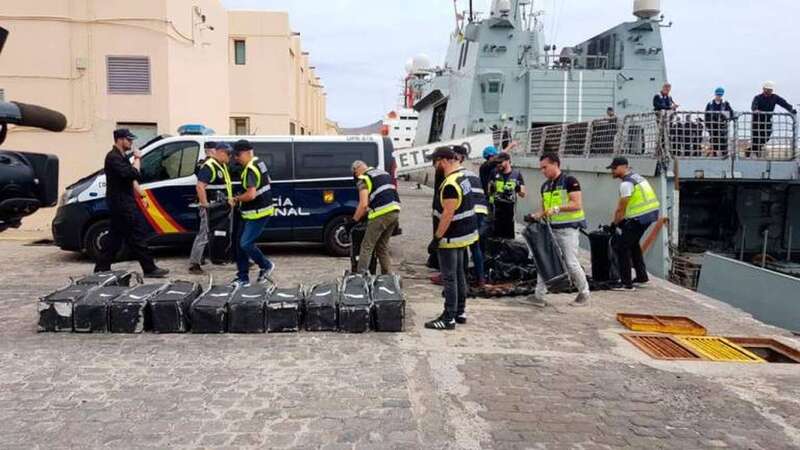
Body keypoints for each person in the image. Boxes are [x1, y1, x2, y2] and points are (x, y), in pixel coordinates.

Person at [94, 129, 169, 277]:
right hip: (121, 204)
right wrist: (137, 158)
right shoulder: (113, 157)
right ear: (119, 140)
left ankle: (101, 268)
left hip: (122, 202)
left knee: (114, 238)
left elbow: (130, 179)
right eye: (129, 140)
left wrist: (141, 194)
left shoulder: (121, 157)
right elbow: (133, 173)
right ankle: (149, 269)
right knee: (137, 235)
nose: (131, 142)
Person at [525, 152, 590, 307]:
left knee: (571, 263)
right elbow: (544, 209)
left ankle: (584, 294)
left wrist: (557, 208)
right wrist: (536, 215)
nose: (542, 171)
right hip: (551, 230)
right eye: (541, 168)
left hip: (568, 230)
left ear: (555, 164)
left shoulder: (570, 181)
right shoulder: (545, 186)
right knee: (544, 261)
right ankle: (538, 296)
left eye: (545, 167)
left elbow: (577, 204)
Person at [425, 146, 478, 330]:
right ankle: (460, 312)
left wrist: (436, 238)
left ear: (444, 161)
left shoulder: (449, 184)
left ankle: (448, 318)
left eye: (435, 162)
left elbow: (448, 214)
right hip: (463, 236)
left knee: (450, 278)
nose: (434, 166)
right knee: (459, 275)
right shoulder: (462, 178)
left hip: (450, 238)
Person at [608, 157, 660, 291]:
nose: (612, 171)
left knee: (622, 247)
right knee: (633, 244)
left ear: (624, 167)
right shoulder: (637, 178)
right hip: (649, 215)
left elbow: (621, 209)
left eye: (614, 168)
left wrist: (615, 224)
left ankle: (626, 284)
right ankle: (642, 278)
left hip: (640, 217)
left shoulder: (626, 184)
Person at [230, 139, 275, 287]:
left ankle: (266, 265)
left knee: (245, 243)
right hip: (249, 212)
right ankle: (243, 278)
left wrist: (236, 199)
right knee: (239, 245)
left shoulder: (250, 169)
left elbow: (251, 195)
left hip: (258, 213)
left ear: (246, 153)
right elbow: (268, 182)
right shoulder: (259, 162)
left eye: (237, 155)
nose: (235, 158)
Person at [188, 142, 233, 274]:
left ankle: (221, 257)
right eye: (228, 154)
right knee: (204, 235)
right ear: (220, 152)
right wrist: (205, 204)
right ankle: (194, 264)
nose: (230, 157)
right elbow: (200, 186)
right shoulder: (209, 166)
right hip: (211, 208)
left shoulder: (221, 165)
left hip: (220, 207)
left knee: (218, 233)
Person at [350, 160, 401, 275]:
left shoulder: (363, 178)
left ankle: (360, 276)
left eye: (355, 174)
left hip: (381, 214)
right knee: (382, 246)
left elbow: (363, 204)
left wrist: (353, 221)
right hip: (395, 211)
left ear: (356, 170)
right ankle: (388, 276)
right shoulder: (383, 173)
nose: (356, 177)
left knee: (366, 246)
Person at [453, 145, 488, 287]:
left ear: (458, 157)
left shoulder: (456, 175)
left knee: (460, 242)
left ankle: (460, 277)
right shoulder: (472, 174)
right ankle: (481, 279)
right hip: (481, 210)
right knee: (475, 245)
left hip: (469, 210)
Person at [751, 81, 797, 158]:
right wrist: (755, 110)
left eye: (771, 90)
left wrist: (791, 109)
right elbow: (754, 106)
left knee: (766, 137)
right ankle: (756, 153)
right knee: (756, 138)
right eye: (768, 90)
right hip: (757, 121)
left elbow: (783, 103)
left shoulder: (775, 97)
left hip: (767, 121)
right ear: (764, 89)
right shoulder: (758, 97)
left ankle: (752, 150)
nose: (769, 91)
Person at [488, 152, 526, 239]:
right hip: (496, 210)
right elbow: (489, 192)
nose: (498, 164)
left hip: (510, 211)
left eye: (500, 162)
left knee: (508, 237)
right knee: (495, 236)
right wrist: (492, 190)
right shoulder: (494, 173)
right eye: (497, 162)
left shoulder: (517, 174)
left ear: (508, 161)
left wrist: (516, 187)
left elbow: (522, 194)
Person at [704, 87, 734, 157]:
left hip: (722, 126)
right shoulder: (710, 104)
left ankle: (724, 155)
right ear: (715, 94)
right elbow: (706, 115)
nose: (719, 96)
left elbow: (731, 113)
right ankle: (714, 155)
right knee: (713, 140)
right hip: (713, 126)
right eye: (718, 95)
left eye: (720, 95)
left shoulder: (725, 104)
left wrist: (726, 119)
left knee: (723, 140)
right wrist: (708, 124)